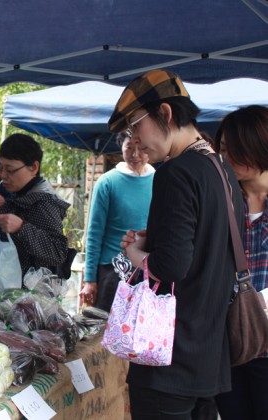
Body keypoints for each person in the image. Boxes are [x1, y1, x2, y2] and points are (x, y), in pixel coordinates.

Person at [114, 69, 244, 419]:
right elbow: (210, 244)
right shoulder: (221, 169)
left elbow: (171, 266)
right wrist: (153, 235)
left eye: (136, 126)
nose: (135, 140)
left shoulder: (176, 172)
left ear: (166, 114)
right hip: (207, 360)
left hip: (167, 359)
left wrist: (134, 252)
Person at [213, 105, 268, 420]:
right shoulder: (222, 200)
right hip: (229, 342)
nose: (227, 157)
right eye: (222, 149)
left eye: (235, 149)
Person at [79, 132, 154, 311]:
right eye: (129, 147)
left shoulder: (159, 180)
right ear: (121, 147)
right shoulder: (107, 182)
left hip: (147, 270)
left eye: (141, 148)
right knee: (105, 332)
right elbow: (94, 234)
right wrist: (90, 280)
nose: (135, 154)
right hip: (112, 272)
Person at [0, 133, 74, 278]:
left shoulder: (44, 202)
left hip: (34, 295)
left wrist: (21, 227)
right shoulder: (17, 195)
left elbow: (58, 252)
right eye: (0, 168)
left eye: (10, 170)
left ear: (34, 167)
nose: (3, 175)